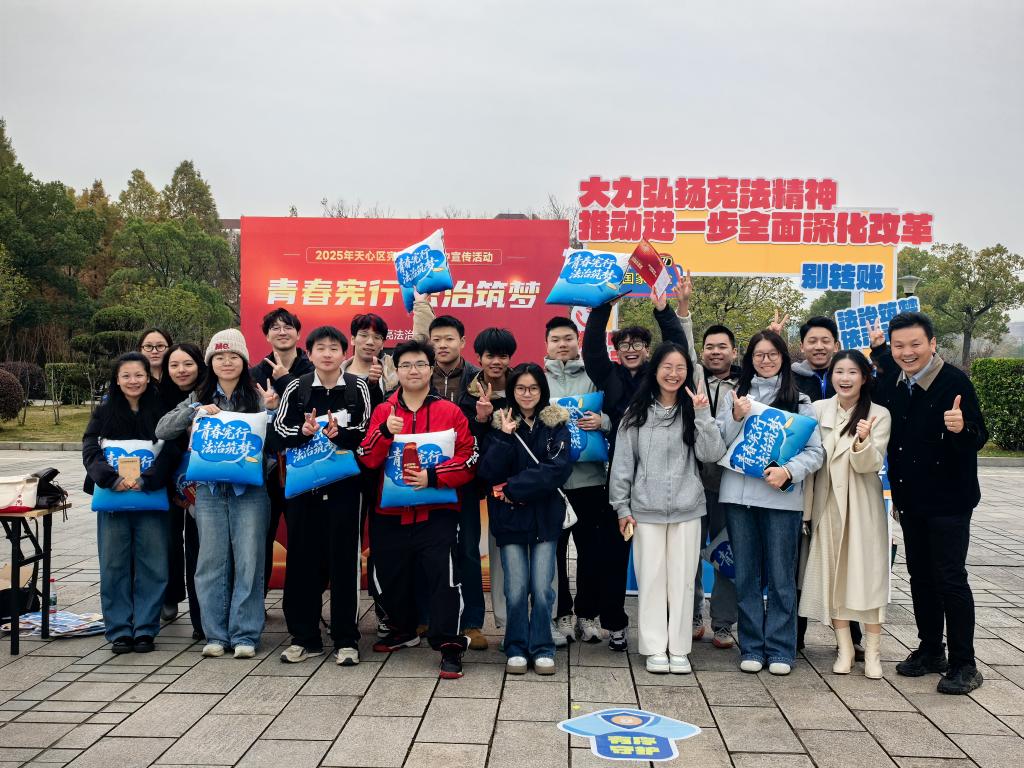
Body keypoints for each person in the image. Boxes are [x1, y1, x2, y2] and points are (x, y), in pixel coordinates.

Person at [872, 312, 988, 695]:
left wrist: (961, 428)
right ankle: (930, 650)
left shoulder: (954, 382)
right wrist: (877, 348)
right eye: (899, 345)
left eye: (915, 344)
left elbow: (978, 436)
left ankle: (965, 664)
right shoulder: (893, 382)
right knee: (920, 576)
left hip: (950, 502)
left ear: (932, 343)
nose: (907, 352)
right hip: (911, 500)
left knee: (949, 578)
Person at [358, 339, 479, 679]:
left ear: (430, 369)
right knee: (388, 576)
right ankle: (403, 630)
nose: (414, 370)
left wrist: (433, 476)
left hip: (437, 513)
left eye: (420, 364)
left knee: (444, 578)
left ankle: (449, 645)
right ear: (396, 371)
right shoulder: (383, 410)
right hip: (389, 514)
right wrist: (384, 432)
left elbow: (469, 458)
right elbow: (366, 457)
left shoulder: (450, 411)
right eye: (406, 365)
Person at [156, 329, 278, 659]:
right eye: (219, 357)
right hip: (208, 492)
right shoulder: (198, 396)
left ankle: (245, 634)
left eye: (233, 356)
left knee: (250, 562)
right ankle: (215, 634)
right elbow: (162, 428)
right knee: (211, 562)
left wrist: (273, 410)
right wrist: (193, 412)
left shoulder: (258, 394)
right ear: (210, 362)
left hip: (250, 491)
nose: (226, 362)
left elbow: (279, 441)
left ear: (244, 361)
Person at [610, 342, 726, 674]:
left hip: (688, 509)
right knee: (651, 580)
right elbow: (622, 465)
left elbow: (712, 454)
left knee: (683, 582)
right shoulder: (636, 414)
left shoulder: (693, 411)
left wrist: (703, 414)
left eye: (680, 368)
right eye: (667, 367)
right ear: (655, 370)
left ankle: (679, 649)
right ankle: (653, 647)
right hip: (645, 509)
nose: (674, 374)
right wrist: (622, 507)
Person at [716, 330, 824, 675]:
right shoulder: (734, 396)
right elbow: (717, 445)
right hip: (738, 498)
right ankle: (751, 645)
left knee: (781, 577)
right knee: (746, 574)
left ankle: (780, 648)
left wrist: (789, 472)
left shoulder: (800, 400)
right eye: (758, 355)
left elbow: (816, 452)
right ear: (749, 359)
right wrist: (735, 416)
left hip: (781, 500)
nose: (765, 360)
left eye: (772, 354)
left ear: (783, 358)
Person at [273, 326, 372, 666]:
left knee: (344, 562)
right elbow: (279, 430)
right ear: (310, 353)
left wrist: (339, 433)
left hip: (346, 488)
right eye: (320, 348)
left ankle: (346, 639)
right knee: (302, 561)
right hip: (304, 488)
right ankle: (304, 638)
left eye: (334, 348)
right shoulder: (297, 387)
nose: (327, 353)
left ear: (345, 353)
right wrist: (302, 431)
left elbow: (365, 431)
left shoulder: (357, 386)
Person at [799, 350, 892, 679]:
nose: (845, 378)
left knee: (867, 579)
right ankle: (845, 649)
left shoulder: (879, 414)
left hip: (862, 506)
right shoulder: (817, 409)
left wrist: (863, 441)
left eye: (853, 372)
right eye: (839, 371)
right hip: (827, 504)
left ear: (864, 377)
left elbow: (870, 465)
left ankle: (874, 652)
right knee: (834, 577)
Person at [477, 363, 573, 675]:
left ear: (542, 390)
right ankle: (516, 646)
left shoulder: (556, 423)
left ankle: (542, 647)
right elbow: (488, 472)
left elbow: (557, 469)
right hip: (509, 520)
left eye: (533, 388)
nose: (527, 394)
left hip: (545, 518)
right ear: (512, 390)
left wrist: (513, 488)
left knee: (542, 588)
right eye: (520, 388)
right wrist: (504, 438)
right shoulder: (501, 422)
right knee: (515, 588)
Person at [83, 352, 181, 653]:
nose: (133, 380)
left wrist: (147, 479)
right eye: (126, 375)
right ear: (117, 379)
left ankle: (146, 629)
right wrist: (111, 478)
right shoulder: (104, 412)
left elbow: (172, 450)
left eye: (139, 375)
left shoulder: (161, 410)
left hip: (150, 498)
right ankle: (119, 630)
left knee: (153, 564)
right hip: (113, 499)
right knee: (114, 565)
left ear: (148, 377)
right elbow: (90, 450)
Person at [543, 316, 628, 650]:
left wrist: (603, 421)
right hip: (553, 483)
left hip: (592, 479)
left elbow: (620, 415)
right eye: (555, 339)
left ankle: (587, 613)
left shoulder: (596, 376)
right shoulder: (538, 378)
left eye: (568, 338)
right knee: (554, 552)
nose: (562, 344)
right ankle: (561, 613)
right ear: (546, 344)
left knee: (592, 552)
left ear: (577, 341)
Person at [676, 277, 740, 649]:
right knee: (688, 554)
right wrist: (684, 309)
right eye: (709, 347)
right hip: (692, 481)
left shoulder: (746, 386)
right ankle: (693, 616)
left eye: (722, 347)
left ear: (734, 351)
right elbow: (683, 348)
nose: (715, 352)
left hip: (729, 485)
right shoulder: (695, 377)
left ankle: (723, 623)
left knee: (726, 553)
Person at [428, 313, 486, 648]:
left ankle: (473, 622)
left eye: (449, 339)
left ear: (462, 342)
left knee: (468, 550)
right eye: (436, 340)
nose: (442, 345)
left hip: (466, 477)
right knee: (430, 549)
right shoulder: (420, 374)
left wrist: (481, 419)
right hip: (427, 478)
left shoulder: (479, 379)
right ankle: (427, 617)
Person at [250, 309, 315, 598]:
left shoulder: (312, 370)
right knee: (261, 537)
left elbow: (313, 410)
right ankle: (258, 602)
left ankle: (300, 605)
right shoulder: (255, 374)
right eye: (275, 328)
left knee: (302, 538)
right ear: (266, 336)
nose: (281, 332)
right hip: (264, 469)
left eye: (287, 327)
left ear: (298, 333)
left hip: (303, 466)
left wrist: (287, 379)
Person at [458, 327, 516, 630]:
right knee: (481, 551)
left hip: (517, 484)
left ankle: (519, 622)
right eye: (490, 355)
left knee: (515, 552)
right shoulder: (468, 394)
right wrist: (481, 418)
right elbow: (467, 442)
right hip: (480, 483)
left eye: (502, 356)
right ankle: (488, 622)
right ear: (478, 357)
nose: (496, 362)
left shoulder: (522, 387)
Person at [581, 291, 688, 437]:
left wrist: (663, 311)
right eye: (624, 346)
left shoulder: (659, 375)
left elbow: (677, 350)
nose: (631, 350)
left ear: (647, 350)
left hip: (656, 444)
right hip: (618, 447)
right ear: (617, 352)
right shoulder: (608, 375)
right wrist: (602, 310)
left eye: (637, 345)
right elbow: (592, 351)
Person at [160, 342, 207, 638]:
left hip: (200, 485)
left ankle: (201, 620)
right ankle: (169, 596)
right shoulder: (157, 395)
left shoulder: (208, 393)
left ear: (200, 365)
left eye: (188, 363)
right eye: (174, 365)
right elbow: (159, 434)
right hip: (165, 481)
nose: (181, 370)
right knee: (168, 543)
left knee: (199, 549)